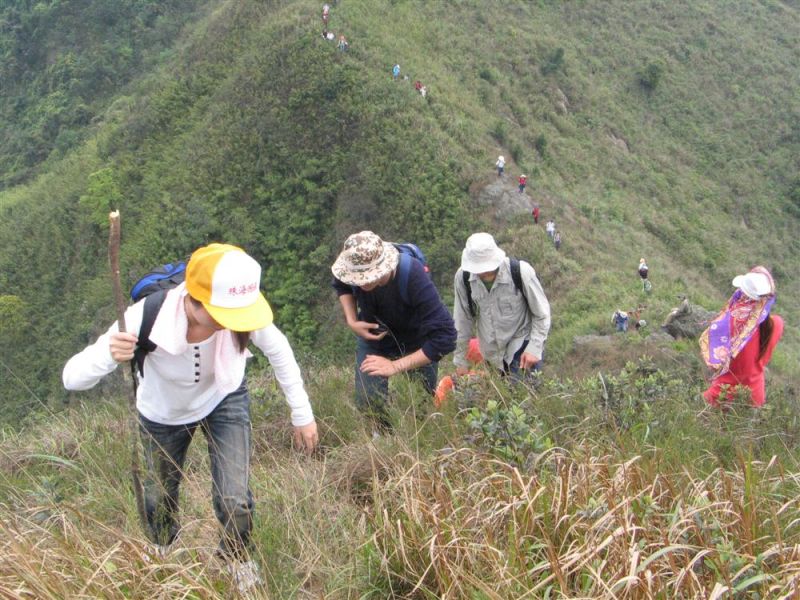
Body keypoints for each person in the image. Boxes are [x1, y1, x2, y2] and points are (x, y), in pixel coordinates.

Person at [62, 244, 318, 592]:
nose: (236, 323)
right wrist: (109, 353)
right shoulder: (145, 317)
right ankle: (163, 552)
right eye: (225, 315)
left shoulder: (240, 313)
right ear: (195, 301)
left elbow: (279, 350)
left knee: (235, 498)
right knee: (158, 498)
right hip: (163, 414)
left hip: (224, 396)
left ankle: (237, 558)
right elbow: (72, 378)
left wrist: (302, 414)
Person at [331, 231, 456, 430]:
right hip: (376, 341)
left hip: (417, 342)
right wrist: (352, 320)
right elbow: (341, 284)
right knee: (369, 403)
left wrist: (394, 366)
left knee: (421, 407)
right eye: (356, 278)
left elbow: (446, 337)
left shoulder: (412, 275)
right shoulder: (353, 264)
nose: (360, 283)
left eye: (366, 277)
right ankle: (383, 439)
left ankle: (415, 443)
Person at [453, 233, 551, 381]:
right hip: (491, 354)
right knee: (499, 394)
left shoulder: (520, 272)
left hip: (521, 345)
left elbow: (542, 313)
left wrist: (534, 348)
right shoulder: (463, 278)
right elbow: (462, 320)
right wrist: (460, 360)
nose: (485, 272)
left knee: (522, 393)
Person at [699, 266, 784, 408]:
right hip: (755, 398)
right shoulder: (776, 324)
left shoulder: (729, 325)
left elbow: (714, 360)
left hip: (721, 396)